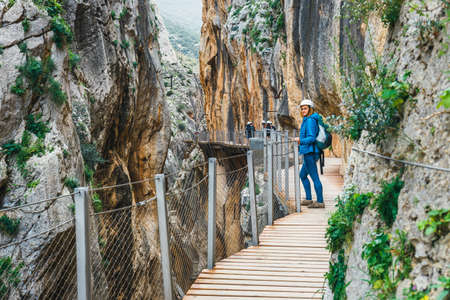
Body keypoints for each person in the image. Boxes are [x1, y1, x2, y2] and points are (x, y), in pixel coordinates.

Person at [296, 99, 324, 208]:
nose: (303, 110)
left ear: (310, 109)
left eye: (305, 108)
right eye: (302, 108)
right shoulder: (307, 119)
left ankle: (320, 202)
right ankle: (308, 199)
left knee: (314, 177)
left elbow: (312, 138)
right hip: (308, 151)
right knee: (302, 175)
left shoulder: (310, 120)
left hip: (310, 152)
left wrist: (299, 140)